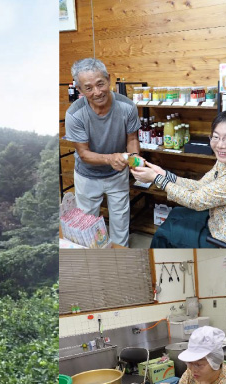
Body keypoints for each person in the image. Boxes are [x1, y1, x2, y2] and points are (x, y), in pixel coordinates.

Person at [131, 110, 226, 248]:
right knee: (176, 213)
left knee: (166, 233)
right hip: (218, 222)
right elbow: (200, 186)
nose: (220, 145)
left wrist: (156, 178)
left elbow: (195, 200)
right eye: (215, 137)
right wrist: (164, 175)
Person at [64, 57, 140, 247]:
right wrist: (110, 158)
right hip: (87, 176)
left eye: (101, 84)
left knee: (121, 223)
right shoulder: (74, 114)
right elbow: (84, 154)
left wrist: (136, 161)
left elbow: (132, 139)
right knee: (87, 225)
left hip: (117, 173)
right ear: (80, 90)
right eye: (88, 88)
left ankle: (120, 260)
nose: (97, 92)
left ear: (108, 79)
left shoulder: (127, 106)